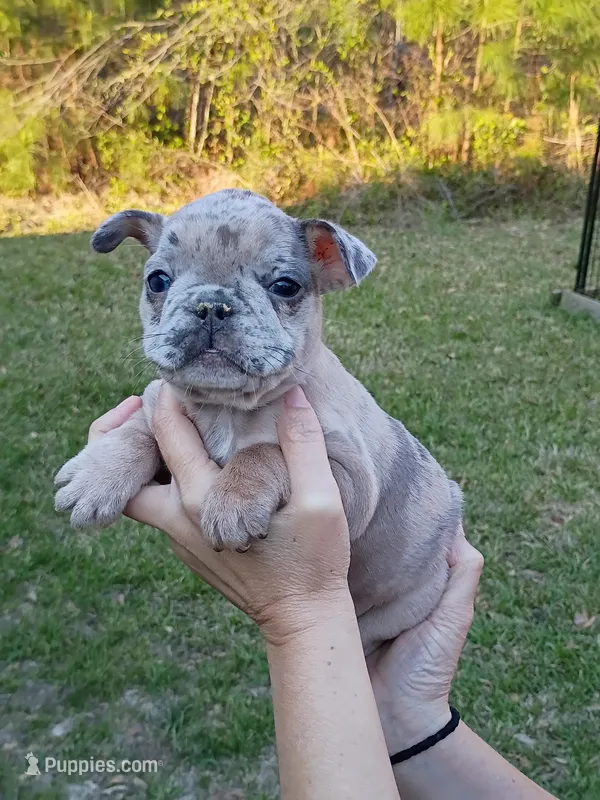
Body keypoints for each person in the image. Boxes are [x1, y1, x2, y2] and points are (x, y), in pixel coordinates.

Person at [90, 385, 557, 800]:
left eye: (286, 286)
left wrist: (297, 612)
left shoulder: (318, 402)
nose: (213, 314)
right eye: (159, 282)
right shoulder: (177, 391)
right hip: (383, 654)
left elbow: (348, 484)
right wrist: (133, 447)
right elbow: (156, 423)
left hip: (394, 599)